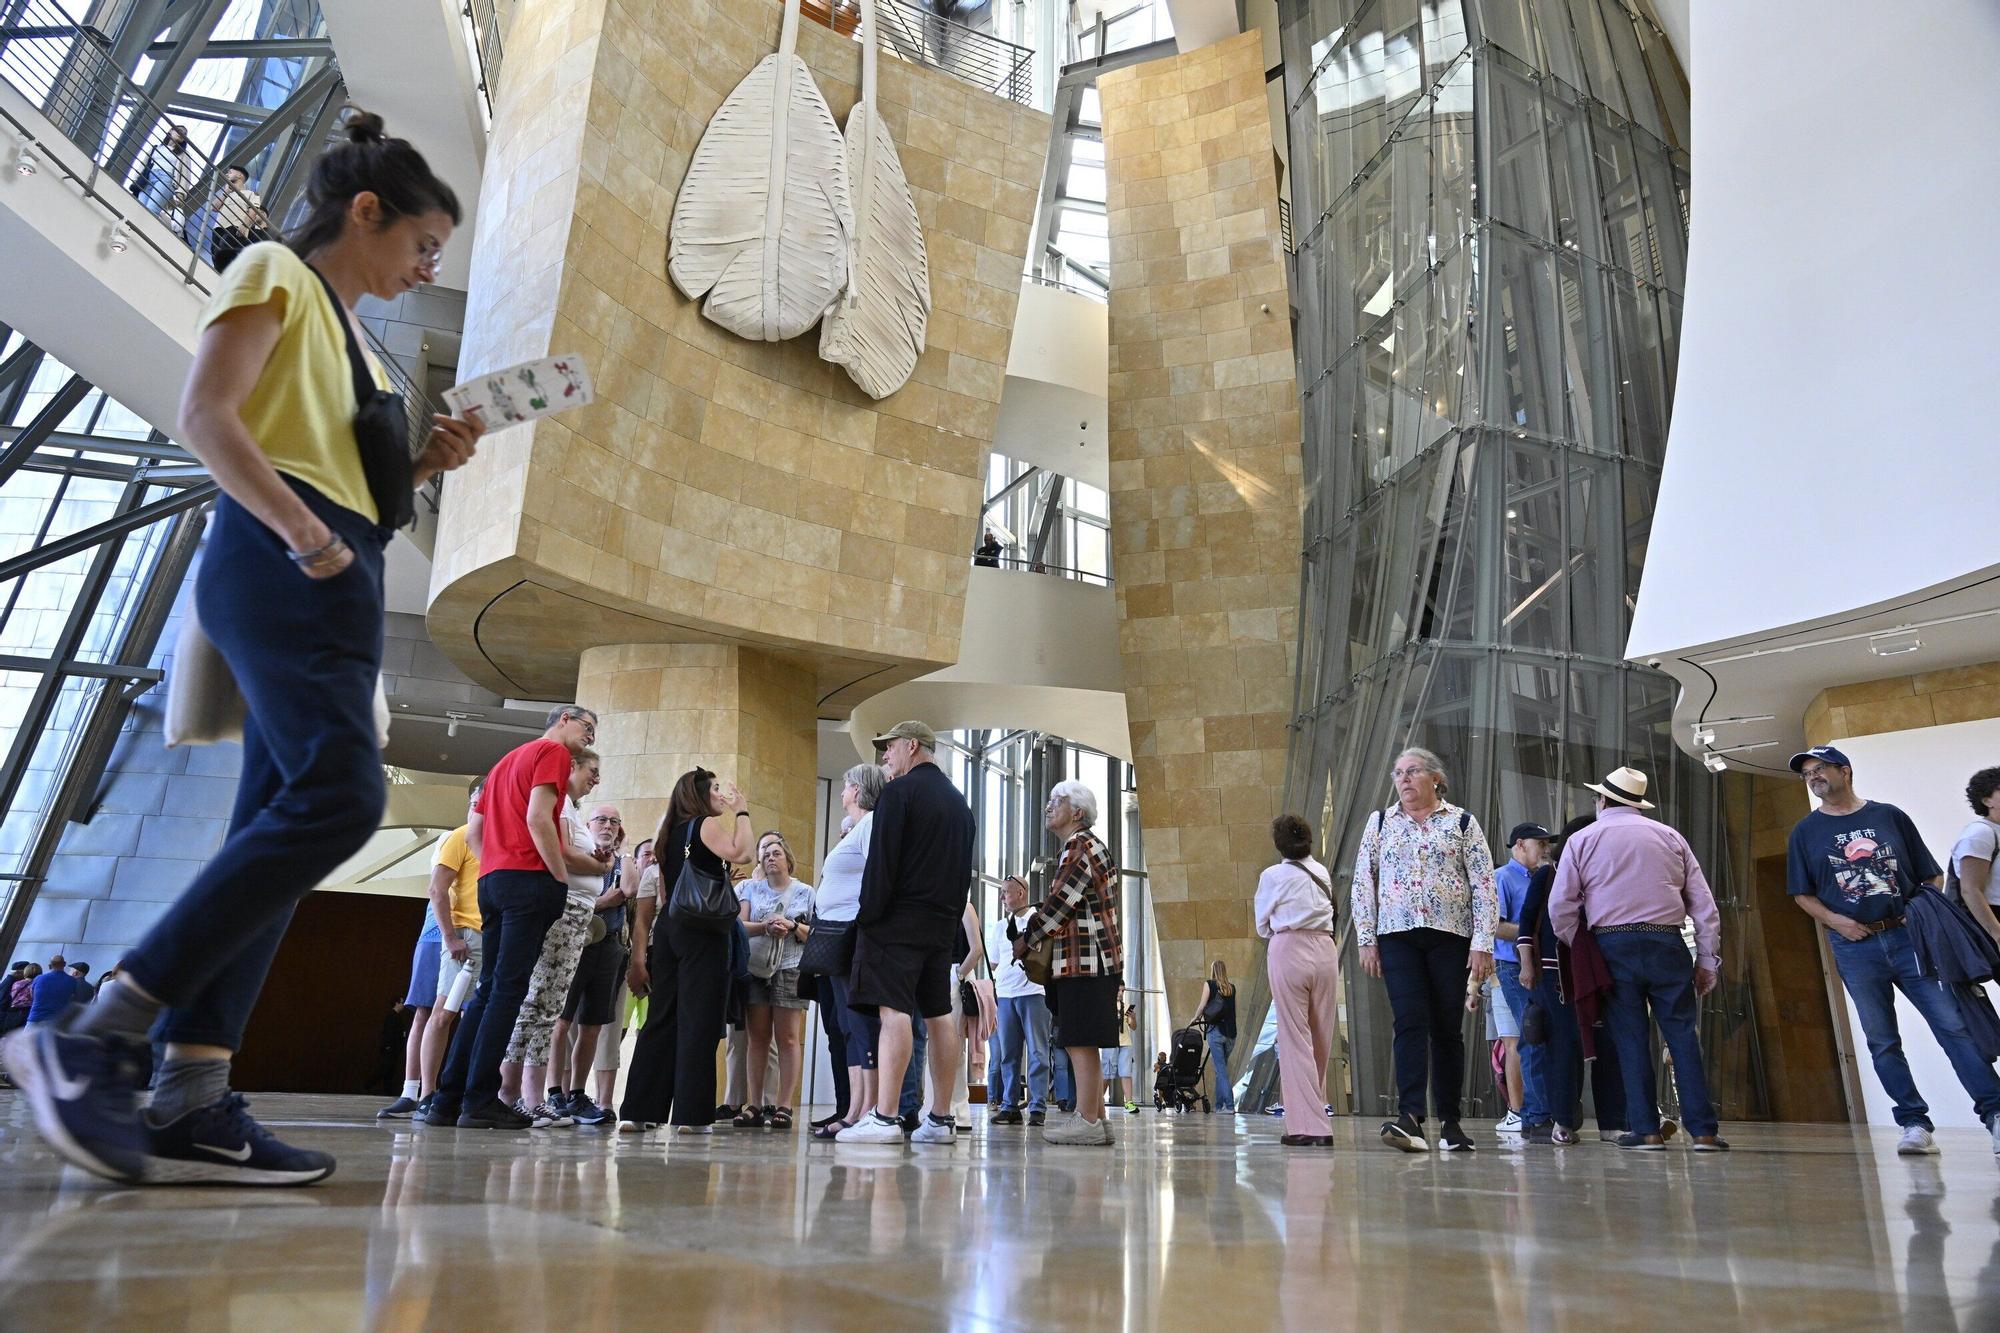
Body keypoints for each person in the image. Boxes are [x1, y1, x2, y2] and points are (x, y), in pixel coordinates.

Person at [2, 109, 475, 1186]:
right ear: (366, 213)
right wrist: (302, 533)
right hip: (285, 554)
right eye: (421, 244)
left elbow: (372, 504)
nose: (427, 265)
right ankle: (91, 1028)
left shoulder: (358, 344)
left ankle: (192, 1098)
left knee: (276, 824)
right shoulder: (272, 267)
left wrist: (426, 464)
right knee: (340, 799)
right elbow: (209, 414)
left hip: (332, 564)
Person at [1787, 746, 2000, 1158]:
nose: (1813, 777)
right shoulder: (1804, 832)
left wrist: (1913, 917)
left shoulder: (1889, 816)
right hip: (1854, 948)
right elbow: (1801, 894)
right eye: (1807, 774)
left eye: (1820, 769)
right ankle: (1913, 1123)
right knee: (1881, 1039)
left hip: (1908, 940)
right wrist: (1838, 921)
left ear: (1844, 771)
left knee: (1953, 1026)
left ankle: (1994, 1114)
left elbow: (1932, 875)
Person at [426, 706, 601, 1131]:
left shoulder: (505, 761)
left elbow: (474, 830)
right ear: (562, 721)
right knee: (508, 992)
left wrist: (493, 867)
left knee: (488, 992)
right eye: (587, 727)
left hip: (494, 882)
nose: (590, 737)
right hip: (529, 882)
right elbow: (539, 818)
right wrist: (558, 876)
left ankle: (447, 1100)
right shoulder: (554, 754)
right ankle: (480, 1100)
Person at [1550, 765, 1727, 1152]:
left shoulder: (1583, 839)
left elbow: (1560, 906)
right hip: (1667, 943)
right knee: (1681, 1035)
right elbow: (1703, 905)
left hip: (1612, 945)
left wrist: (1582, 947)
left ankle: (1645, 1129)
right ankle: (1704, 1132)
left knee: (1630, 1039)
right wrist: (1708, 960)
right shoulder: (1670, 837)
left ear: (1603, 800)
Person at [1352, 747, 1498, 1153]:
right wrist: (1367, 938)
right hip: (1397, 936)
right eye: (1398, 773)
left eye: (1412, 771)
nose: (1403, 779)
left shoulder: (1463, 822)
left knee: (1447, 1029)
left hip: (1451, 936)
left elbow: (1484, 886)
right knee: (1410, 1020)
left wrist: (1483, 944)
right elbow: (1364, 881)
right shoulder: (1380, 822)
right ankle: (1410, 1116)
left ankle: (1451, 1122)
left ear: (1435, 778)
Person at [837, 721, 976, 1146]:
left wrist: (868, 917)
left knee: (892, 1012)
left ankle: (886, 1118)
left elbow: (883, 863)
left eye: (889, 747)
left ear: (913, 746)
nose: (885, 757)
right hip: (940, 926)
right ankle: (940, 1120)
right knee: (938, 1016)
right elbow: (962, 877)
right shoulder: (960, 805)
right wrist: (950, 920)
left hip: (895, 922)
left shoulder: (899, 794)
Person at [620, 768, 756, 1134]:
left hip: (670, 931)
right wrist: (741, 811)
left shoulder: (667, 834)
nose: (720, 795)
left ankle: (638, 1110)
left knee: (661, 1019)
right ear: (697, 796)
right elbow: (743, 852)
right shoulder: (704, 825)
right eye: (714, 789)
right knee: (700, 1020)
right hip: (703, 933)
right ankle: (692, 1116)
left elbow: (666, 894)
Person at [498, 763, 614, 1126]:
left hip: (578, 917)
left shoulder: (573, 812)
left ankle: (534, 1100)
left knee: (550, 1007)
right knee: (534, 1001)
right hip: (562, 911)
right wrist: (599, 866)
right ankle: (508, 1093)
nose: (597, 777)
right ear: (572, 767)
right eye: (591, 769)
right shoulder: (559, 804)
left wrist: (599, 861)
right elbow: (561, 852)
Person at [1012, 779, 1121, 1147]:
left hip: (1085, 960)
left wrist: (1027, 939)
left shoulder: (1080, 845)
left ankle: (1087, 1120)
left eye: (1056, 801)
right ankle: (1097, 1118)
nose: (1048, 807)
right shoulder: (1089, 846)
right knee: (1081, 1038)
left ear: (1077, 812)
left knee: (1079, 1039)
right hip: (1093, 960)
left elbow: (1060, 903)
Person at [396, 783, 483, 1120]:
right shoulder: (457, 837)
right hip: (445, 934)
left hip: (478, 934)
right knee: (431, 1010)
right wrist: (448, 936)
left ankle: (455, 1090)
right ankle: (418, 1091)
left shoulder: (496, 838)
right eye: (477, 800)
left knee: (470, 1014)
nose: (482, 806)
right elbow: (438, 890)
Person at [1256, 813, 1340, 1146]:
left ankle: (1309, 1126)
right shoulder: (1320, 871)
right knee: (1321, 1037)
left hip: (1289, 948)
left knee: (1294, 1039)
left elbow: (1262, 924)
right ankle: (1317, 1113)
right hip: (1324, 948)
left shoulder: (1272, 875)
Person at [547, 805, 632, 1127]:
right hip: (574, 940)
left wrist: (621, 854)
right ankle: (555, 1091)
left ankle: (579, 1094)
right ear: (587, 825)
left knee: (593, 1024)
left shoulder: (622, 863)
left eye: (614, 821)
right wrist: (605, 902)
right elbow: (565, 900)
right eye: (602, 820)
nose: (608, 825)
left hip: (609, 945)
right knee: (562, 1020)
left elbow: (633, 890)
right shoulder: (577, 857)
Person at [811, 766, 884, 1139]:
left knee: (858, 1022)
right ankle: (855, 1107)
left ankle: (867, 1108)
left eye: (844, 785)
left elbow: (879, 875)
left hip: (851, 934)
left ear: (857, 789)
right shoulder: (856, 827)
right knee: (845, 1022)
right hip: (837, 936)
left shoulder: (870, 823)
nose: (841, 792)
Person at [731, 831, 815, 1129]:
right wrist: (765, 927)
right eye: (765, 854)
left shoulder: (805, 892)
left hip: (791, 967)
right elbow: (740, 926)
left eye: (776, 853)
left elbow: (814, 935)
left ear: (788, 858)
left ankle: (783, 1105)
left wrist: (792, 926)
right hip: (757, 969)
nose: (770, 858)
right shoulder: (749, 889)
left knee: (789, 1038)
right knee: (758, 1038)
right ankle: (754, 1104)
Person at [1491, 821, 1552, 1136]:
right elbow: (1495, 925)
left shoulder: (1545, 879)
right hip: (1513, 967)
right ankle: (1533, 1114)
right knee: (1529, 1035)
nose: (1544, 849)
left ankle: (1540, 1110)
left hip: (1541, 965)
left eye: (1546, 843)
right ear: (1519, 845)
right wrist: (1533, 931)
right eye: (1538, 843)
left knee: (1539, 1035)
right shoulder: (1502, 877)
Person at [985, 875, 1053, 1127]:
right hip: (1005, 995)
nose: (1002, 897)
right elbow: (994, 962)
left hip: (1033, 992)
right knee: (1007, 1054)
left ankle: (1037, 1107)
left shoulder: (1038, 920)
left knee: (1037, 1051)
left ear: (1021, 892)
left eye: (1006, 892)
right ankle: (1009, 1105)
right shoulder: (1000, 926)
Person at [1951, 766, 2000, 949]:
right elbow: (1970, 890)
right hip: (1992, 917)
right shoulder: (1980, 833)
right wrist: (1997, 934)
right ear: (1987, 800)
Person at [136, 122, 200, 236]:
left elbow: (186, 175)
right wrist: (136, 179)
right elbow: (143, 164)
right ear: (170, 131)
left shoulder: (184, 154)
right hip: (148, 178)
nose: (182, 134)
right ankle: (136, 231)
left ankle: (143, 235)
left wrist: (181, 192)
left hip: (166, 179)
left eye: (184, 134)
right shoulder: (156, 148)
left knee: (152, 209)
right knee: (140, 207)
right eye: (179, 130)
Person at [207, 166, 273, 273]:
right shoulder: (226, 194)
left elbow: (253, 211)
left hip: (235, 227)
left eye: (230, 172)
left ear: (239, 175)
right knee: (215, 253)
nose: (227, 174)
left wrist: (245, 225)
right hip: (219, 227)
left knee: (225, 246)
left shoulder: (251, 194)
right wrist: (225, 193)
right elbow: (214, 208)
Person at [1195, 959, 1238, 1114]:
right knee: (1221, 1070)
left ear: (1213, 971)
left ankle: (1230, 1106)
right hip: (1231, 1034)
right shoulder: (1232, 988)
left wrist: (1195, 1018)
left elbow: (1202, 1005)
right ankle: (1219, 1106)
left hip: (1216, 1032)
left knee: (1221, 1070)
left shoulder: (1210, 985)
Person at [25, 955, 82, 1025]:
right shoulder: (72, 981)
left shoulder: (38, 978)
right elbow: (73, 999)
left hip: (35, 1019)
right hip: (55, 1022)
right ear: (64, 964)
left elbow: (32, 995)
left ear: (49, 966)